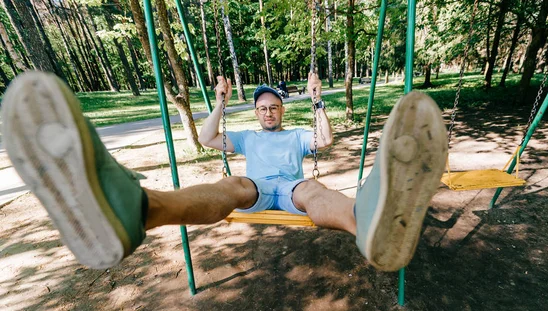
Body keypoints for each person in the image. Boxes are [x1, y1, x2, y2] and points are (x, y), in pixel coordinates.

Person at [2, 71, 448, 273]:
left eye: (274, 107)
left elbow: (326, 140)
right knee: (231, 185)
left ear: (281, 110)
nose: (270, 112)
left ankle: (369, 224)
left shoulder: (295, 135)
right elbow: (207, 139)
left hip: (292, 189)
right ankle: (136, 209)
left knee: (314, 189)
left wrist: (316, 100)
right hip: (254, 189)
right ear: (255, 113)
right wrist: (218, 100)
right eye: (262, 108)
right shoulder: (247, 138)